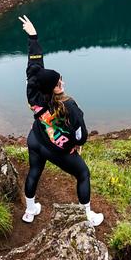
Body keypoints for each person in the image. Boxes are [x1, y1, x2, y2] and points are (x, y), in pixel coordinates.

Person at [19, 15, 104, 227]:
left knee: (34, 173)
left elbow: (35, 63)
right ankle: (87, 216)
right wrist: (78, 145)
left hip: (35, 138)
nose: (62, 83)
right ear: (51, 88)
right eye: (58, 83)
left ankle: (30, 211)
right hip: (55, 149)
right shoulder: (69, 107)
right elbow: (81, 133)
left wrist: (33, 36)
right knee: (83, 173)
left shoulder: (33, 90)